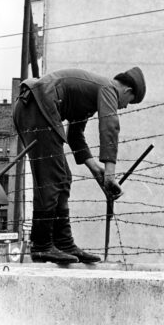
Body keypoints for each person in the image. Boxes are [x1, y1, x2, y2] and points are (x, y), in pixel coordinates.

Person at [13, 67, 146, 264]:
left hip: (34, 106)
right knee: (53, 177)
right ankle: (41, 245)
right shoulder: (108, 88)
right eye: (129, 102)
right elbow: (110, 126)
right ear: (127, 91)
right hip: (38, 105)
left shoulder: (89, 95)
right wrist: (110, 174)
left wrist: (95, 169)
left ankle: (63, 244)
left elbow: (75, 135)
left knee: (62, 177)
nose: (124, 107)